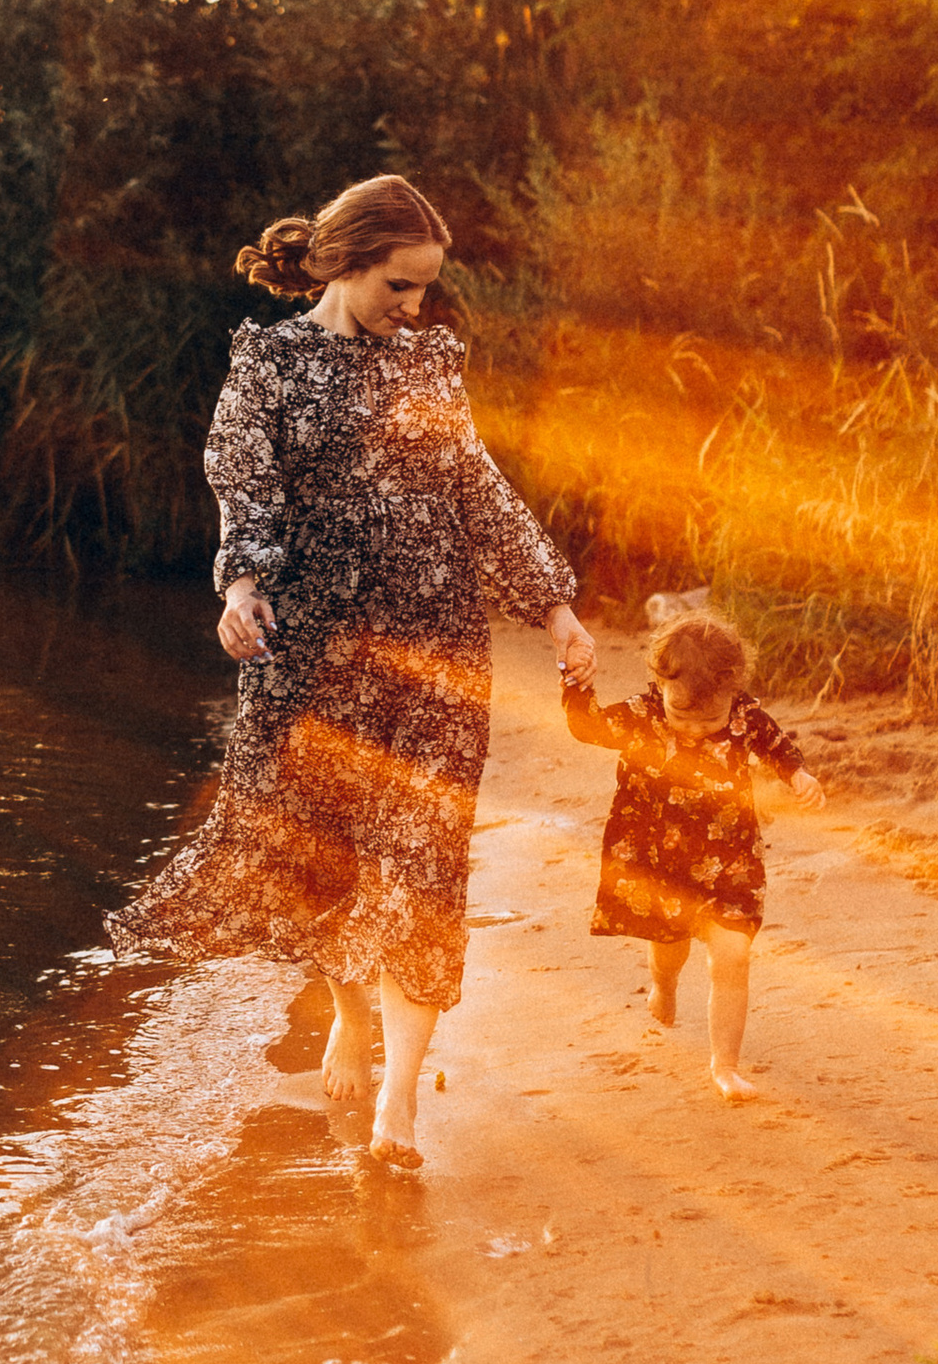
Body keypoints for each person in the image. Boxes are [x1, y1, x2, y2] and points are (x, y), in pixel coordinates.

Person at [106, 175, 594, 1169]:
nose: (414, 306)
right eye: (399, 285)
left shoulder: (431, 363)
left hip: (437, 655)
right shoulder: (269, 365)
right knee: (324, 864)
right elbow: (243, 485)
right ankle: (347, 1011)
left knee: (422, 867)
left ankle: (398, 1106)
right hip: (314, 662)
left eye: (426, 288)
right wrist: (240, 589)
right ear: (344, 262)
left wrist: (553, 604)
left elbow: (477, 488)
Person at [561, 609, 824, 1100]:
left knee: (733, 954)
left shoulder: (745, 716)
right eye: (681, 715)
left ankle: (726, 1066)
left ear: (733, 690)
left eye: (709, 719)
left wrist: (799, 776)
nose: (696, 729)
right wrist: (577, 682)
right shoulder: (643, 715)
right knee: (670, 945)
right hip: (660, 860)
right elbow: (587, 726)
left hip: (729, 857)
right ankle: (664, 985)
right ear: (660, 683)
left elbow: (778, 747)